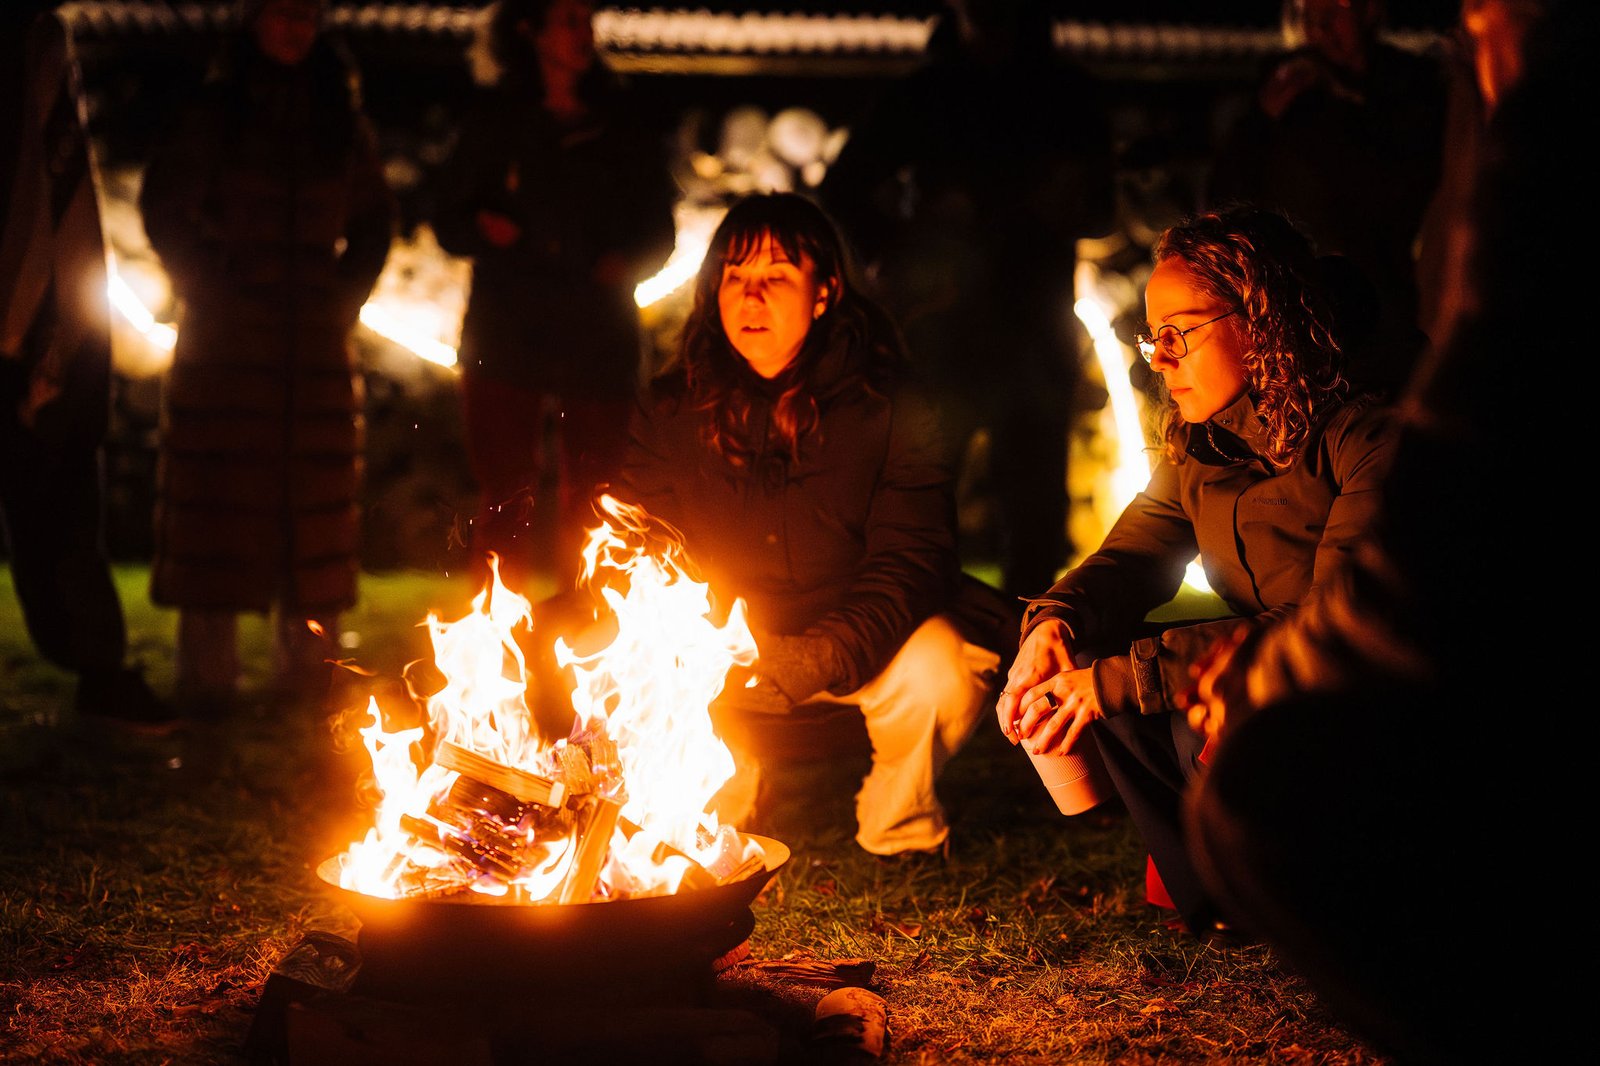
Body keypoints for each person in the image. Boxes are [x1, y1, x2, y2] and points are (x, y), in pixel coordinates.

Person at [1181, 2, 1572, 1060]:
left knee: (1261, 791)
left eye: (1487, 20)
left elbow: (1435, 531)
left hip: (1396, 360)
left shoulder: (1521, 156)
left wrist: (1275, 664)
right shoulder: (1298, 114)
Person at [995, 206, 1398, 934]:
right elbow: (1131, 557)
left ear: (1262, 321)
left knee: (1169, 698)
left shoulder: (1371, 434)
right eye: (1153, 337)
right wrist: (1054, 621)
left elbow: (1332, 624)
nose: (1159, 358)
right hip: (1265, 689)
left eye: (1179, 333)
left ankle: (1308, 893)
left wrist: (1119, 680)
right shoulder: (1206, 445)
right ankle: (1213, 897)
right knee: (1095, 651)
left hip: (1368, 704)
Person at [614, 192, 1004, 859]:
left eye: (776, 276)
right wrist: (713, 643)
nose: (751, 297)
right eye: (735, 277)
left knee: (942, 662)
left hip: (859, 643)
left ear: (824, 292)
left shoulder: (893, 406)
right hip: (724, 652)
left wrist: (820, 654)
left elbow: (913, 558)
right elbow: (641, 548)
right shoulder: (670, 409)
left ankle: (899, 820)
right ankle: (725, 786)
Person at [138, 0, 396, 715]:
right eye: (283, 12)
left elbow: (375, 220)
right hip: (226, 341)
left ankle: (309, 670)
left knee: (315, 505)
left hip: (313, 341)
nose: (295, 28)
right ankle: (208, 675)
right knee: (214, 500)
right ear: (254, 20)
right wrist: (211, 286)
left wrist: (340, 297)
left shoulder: (340, 121)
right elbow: (165, 208)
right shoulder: (213, 112)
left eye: (307, 15)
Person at [819, 0, 1115, 600]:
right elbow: (842, 191)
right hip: (944, 333)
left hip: (1032, 334)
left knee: (1034, 516)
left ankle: (1032, 637)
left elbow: (1101, 208)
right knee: (923, 498)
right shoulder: (923, 93)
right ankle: (916, 624)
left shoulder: (1066, 94)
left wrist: (1051, 207)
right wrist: (905, 248)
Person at [433, 0, 675, 595]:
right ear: (530, 31)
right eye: (568, 20)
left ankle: (586, 623)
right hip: (508, 326)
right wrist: (484, 228)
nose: (583, 34)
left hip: (598, 328)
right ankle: (498, 628)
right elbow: (446, 217)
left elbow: (658, 229)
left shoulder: (620, 123)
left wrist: (626, 262)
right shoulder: (496, 122)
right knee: (505, 493)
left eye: (587, 21)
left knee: (598, 497)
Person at [1, 2, 175, 734]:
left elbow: (51, 197)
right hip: (28, 320)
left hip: (41, 329)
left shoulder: (35, 44)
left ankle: (99, 667)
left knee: (64, 492)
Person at [1208, 0, 1448, 396]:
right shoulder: (1282, 89)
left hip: (1392, 287)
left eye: (1334, 12)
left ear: (1370, 12)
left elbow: (1401, 185)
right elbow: (1227, 195)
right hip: (1302, 296)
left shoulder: (1413, 87)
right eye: (1310, 16)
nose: (1320, 28)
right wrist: (1263, 118)